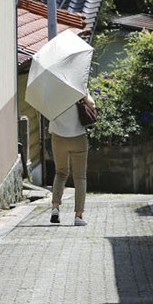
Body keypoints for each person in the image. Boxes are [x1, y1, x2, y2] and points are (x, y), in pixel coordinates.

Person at [48, 94, 95, 226]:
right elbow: (92, 105)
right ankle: (78, 216)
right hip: (78, 137)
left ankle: (55, 208)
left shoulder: (52, 89)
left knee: (60, 173)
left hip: (58, 136)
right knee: (80, 177)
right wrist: (86, 94)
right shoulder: (78, 86)